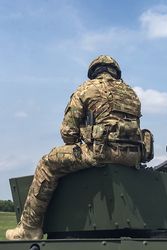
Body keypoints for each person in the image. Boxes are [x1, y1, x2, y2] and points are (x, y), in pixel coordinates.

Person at [6, 55, 153, 240]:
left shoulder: (86, 89)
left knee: (46, 164)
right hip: (134, 156)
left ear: (94, 72)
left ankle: (29, 228)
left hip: (102, 153)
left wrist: (83, 139)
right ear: (116, 72)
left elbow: (68, 133)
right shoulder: (131, 94)